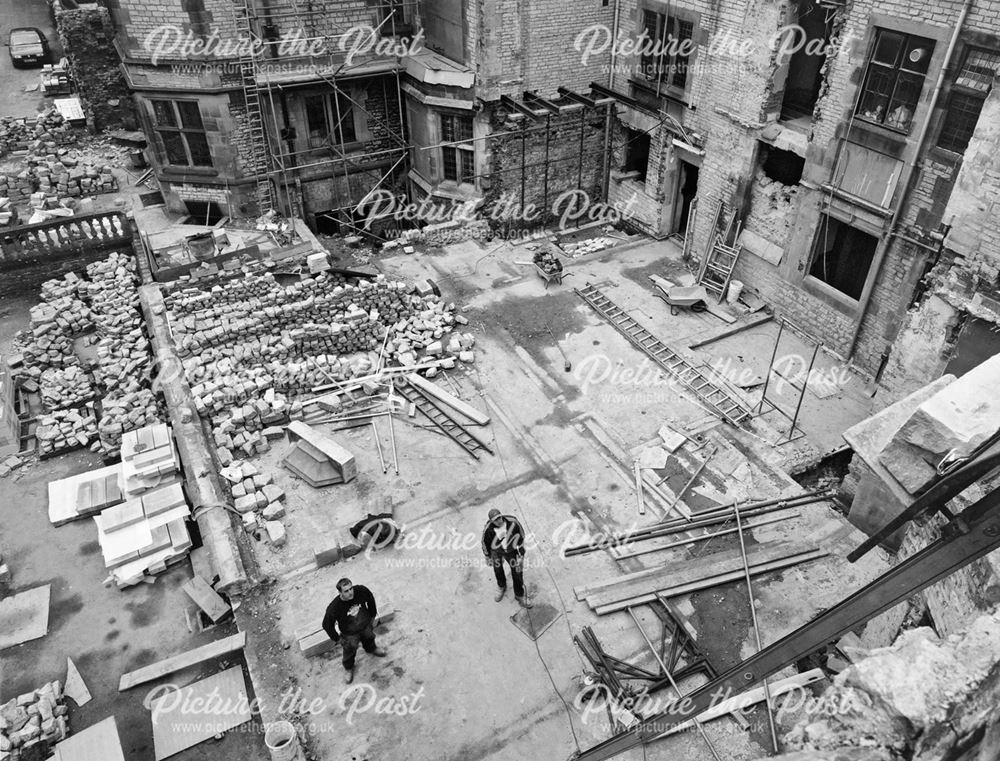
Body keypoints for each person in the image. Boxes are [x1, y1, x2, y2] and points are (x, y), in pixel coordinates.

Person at [322, 578, 387, 683]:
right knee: (349, 649)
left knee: (370, 638)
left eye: (351, 588)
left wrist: (372, 616)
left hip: (366, 626)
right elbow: (326, 625)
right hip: (349, 634)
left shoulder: (361, 591)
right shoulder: (334, 607)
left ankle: (371, 649)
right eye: (346, 591)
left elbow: (370, 599)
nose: (350, 592)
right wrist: (337, 639)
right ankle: (348, 668)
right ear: (340, 592)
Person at [481, 508, 532, 608]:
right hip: (496, 551)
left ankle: (519, 594)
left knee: (517, 571)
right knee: (498, 570)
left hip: (511, 551)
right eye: (496, 520)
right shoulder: (488, 529)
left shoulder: (513, 522)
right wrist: (487, 556)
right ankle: (501, 586)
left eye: (500, 517)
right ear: (492, 521)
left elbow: (521, 537)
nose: (499, 521)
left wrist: (521, 554)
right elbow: (484, 542)